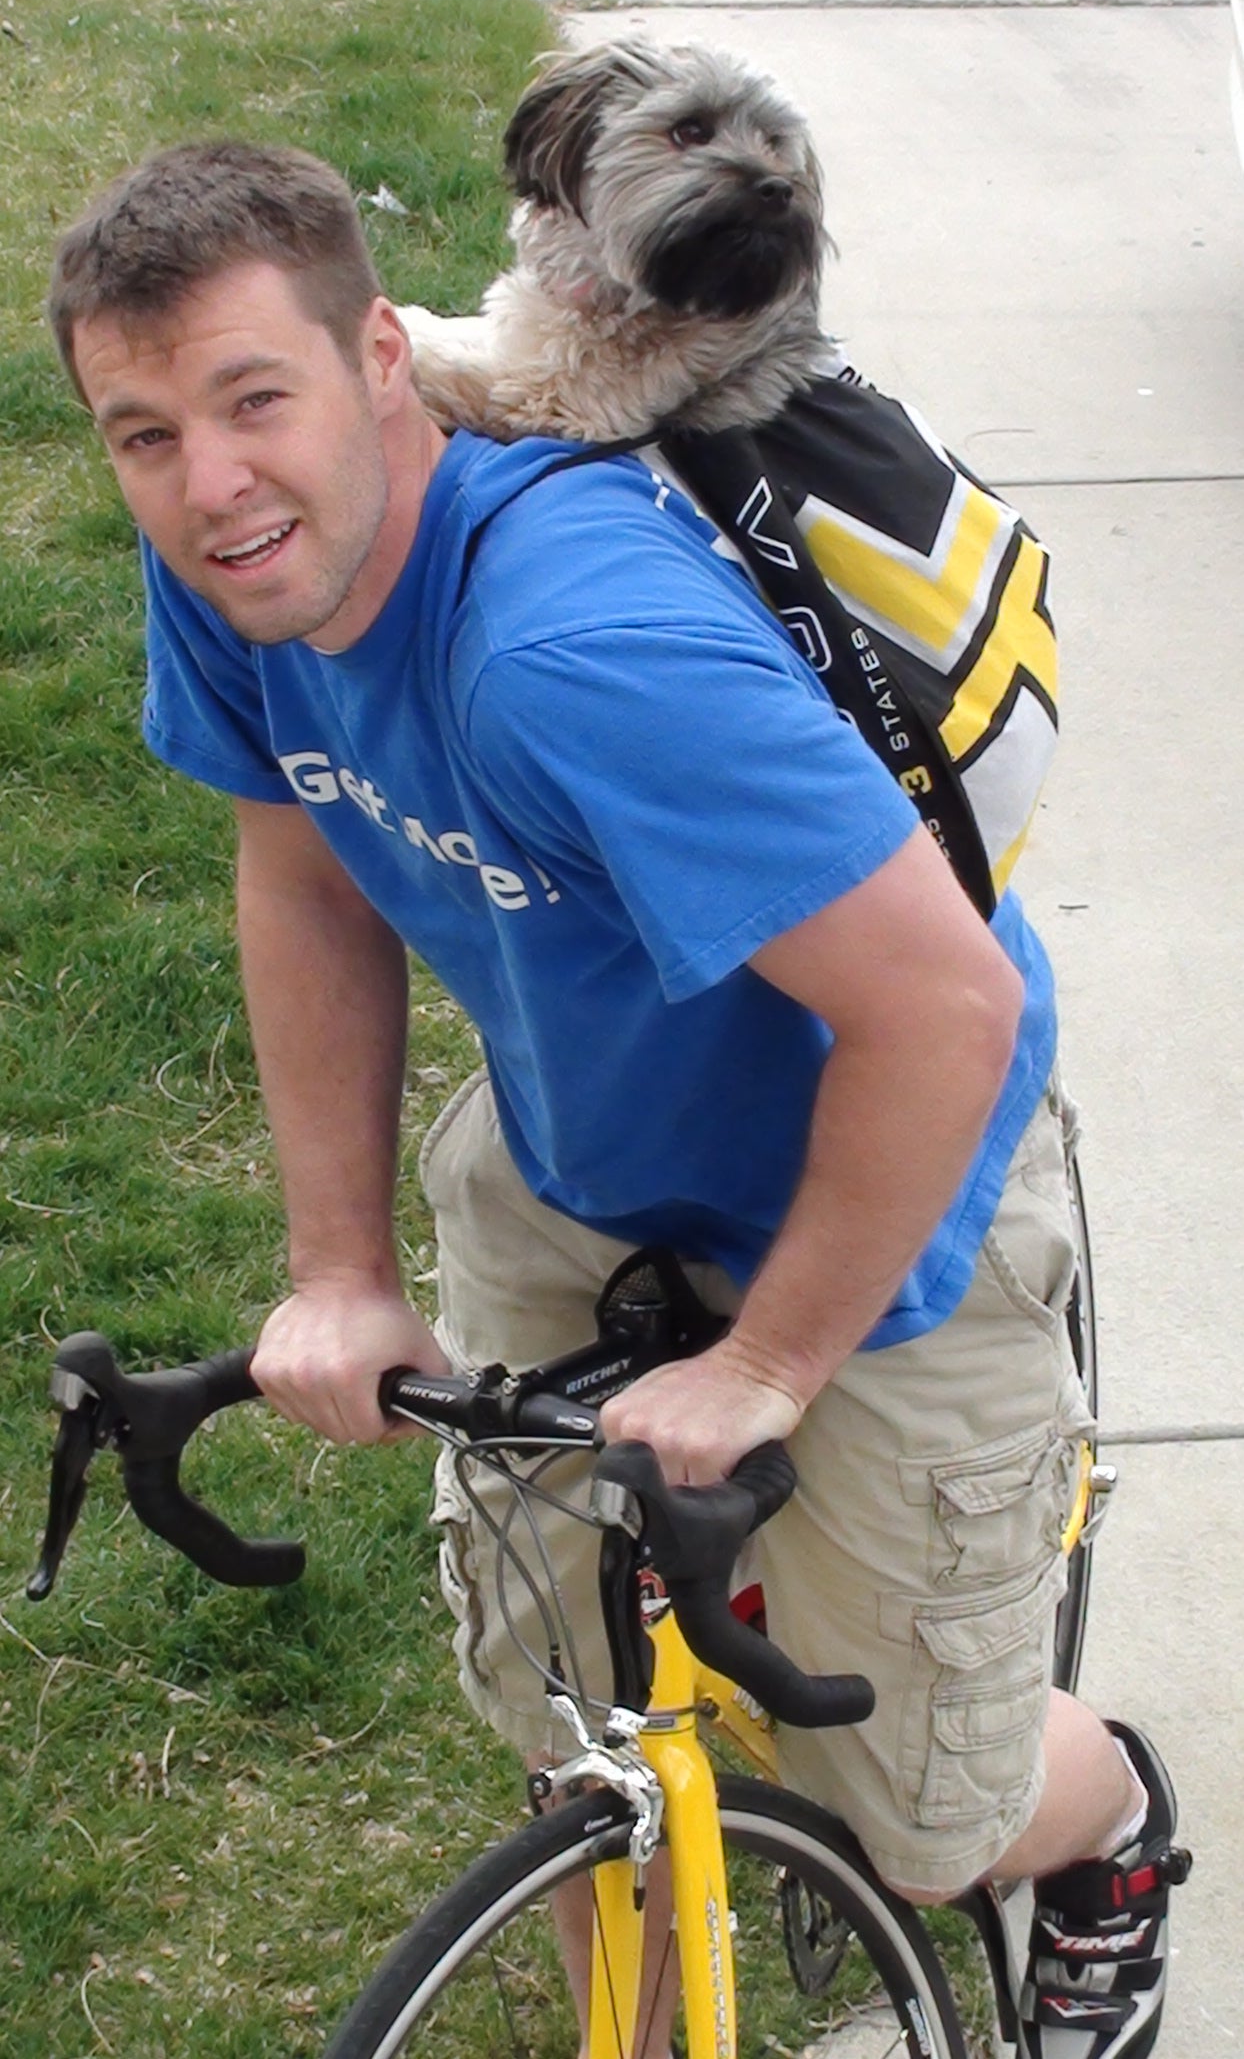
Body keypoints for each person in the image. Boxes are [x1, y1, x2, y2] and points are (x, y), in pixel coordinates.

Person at [49, 137, 1188, 2059]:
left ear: (385, 360)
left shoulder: (575, 647)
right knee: (594, 1739)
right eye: (142, 432)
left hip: (883, 1196)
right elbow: (305, 863)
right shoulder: (244, 561)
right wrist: (335, 1262)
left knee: (926, 1819)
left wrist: (766, 1371)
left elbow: (942, 1011)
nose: (207, 480)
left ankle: (1113, 1832)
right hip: (579, 1164)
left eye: (256, 401)